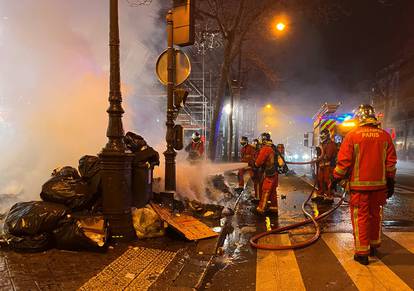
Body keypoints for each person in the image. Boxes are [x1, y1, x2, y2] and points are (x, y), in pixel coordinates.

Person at [333, 104, 397, 265]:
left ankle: (362, 253)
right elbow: (391, 163)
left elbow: (343, 163)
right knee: (376, 215)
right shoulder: (385, 136)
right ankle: (374, 245)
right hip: (379, 187)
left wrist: (335, 178)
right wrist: (390, 181)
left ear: (359, 118)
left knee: (360, 218)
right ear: (373, 117)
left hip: (359, 188)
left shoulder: (353, 136)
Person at [250, 132, 279, 215]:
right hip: (275, 173)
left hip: (269, 173)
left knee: (265, 190)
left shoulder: (266, 148)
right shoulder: (272, 147)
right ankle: (273, 208)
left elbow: (259, 162)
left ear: (263, 139)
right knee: (273, 191)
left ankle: (261, 209)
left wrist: (254, 165)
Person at [312, 129, 338, 203]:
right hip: (322, 166)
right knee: (320, 181)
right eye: (321, 136)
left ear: (327, 136)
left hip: (328, 167)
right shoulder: (322, 144)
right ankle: (320, 196)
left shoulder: (330, 144)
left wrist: (320, 155)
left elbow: (328, 156)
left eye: (323, 136)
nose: (322, 138)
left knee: (327, 182)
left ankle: (329, 197)